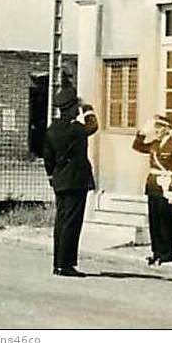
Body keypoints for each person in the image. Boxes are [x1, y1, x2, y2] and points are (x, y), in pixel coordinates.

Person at [43, 87, 98, 277]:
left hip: (59, 180)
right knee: (72, 223)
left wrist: (52, 176)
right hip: (76, 181)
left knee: (61, 222)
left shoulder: (52, 129)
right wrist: (88, 108)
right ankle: (66, 265)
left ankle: (58, 263)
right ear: (73, 107)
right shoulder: (76, 129)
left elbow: (47, 158)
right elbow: (93, 125)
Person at [132, 115, 172, 266]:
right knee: (154, 220)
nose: (156, 131)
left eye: (160, 128)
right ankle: (156, 252)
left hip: (166, 186)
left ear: (167, 129)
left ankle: (167, 253)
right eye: (156, 127)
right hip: (153, 185)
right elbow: (137, 146)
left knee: (165, 220)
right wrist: (142, 132)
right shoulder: (154, 144)